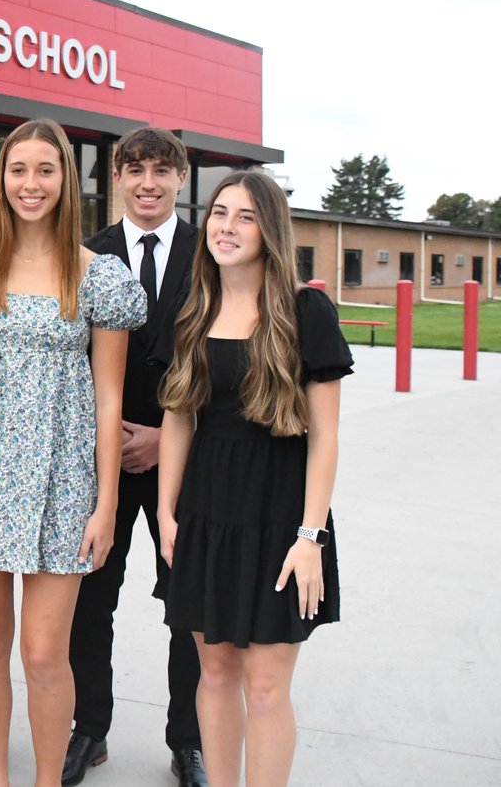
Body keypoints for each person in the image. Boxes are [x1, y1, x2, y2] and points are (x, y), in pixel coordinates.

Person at [0, 119, 146, 787]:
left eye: (45, 170)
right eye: (18, 169)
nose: (30, 184)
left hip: (63, 484)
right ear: (3, 180)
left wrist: (106, 504)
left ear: (66, 181)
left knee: (47, 654)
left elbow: (110, 400)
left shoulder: (98, 278)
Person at [157, 170, 351, 787]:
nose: (227, 227)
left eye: (244, 216)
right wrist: (167, 513)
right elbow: (178, 419)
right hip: (205, 512)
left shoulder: (305, 310)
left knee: (265, 687)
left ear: (269, 229)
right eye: (219, 213)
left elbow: (325, 437)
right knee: (213, 674)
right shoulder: (195, 306)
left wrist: (310, 536)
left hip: (279, 516)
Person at [65, 127, 207, 787]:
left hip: (187, 457)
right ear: (114, 177)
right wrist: (108, 438)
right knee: (91, 598)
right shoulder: (86, 255)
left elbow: (224, 360)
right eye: (134, 168)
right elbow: (71, 358)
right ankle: (88, 726)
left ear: (181, 177)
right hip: (102, 459)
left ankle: (190, 740)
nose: (148, 181)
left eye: (161, 169)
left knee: (189, 601)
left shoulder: (212, 254)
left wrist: (165, 434)